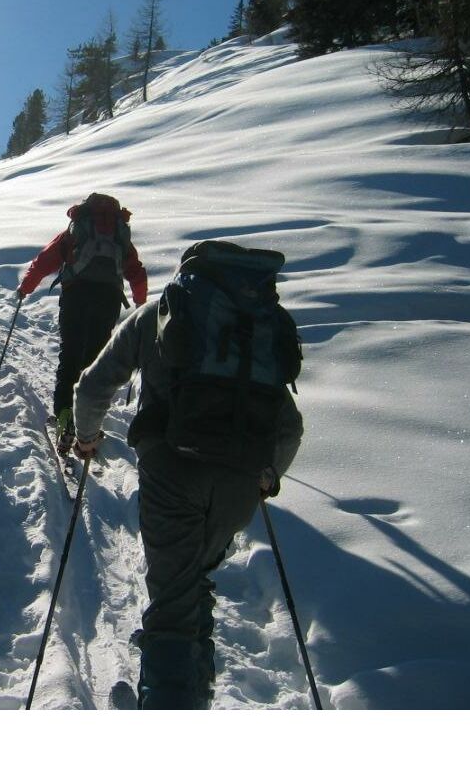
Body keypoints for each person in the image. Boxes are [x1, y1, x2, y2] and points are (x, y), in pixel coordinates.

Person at [71, 241, 304, 709]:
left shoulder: (160, 314)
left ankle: (170, 697)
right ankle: (192, 688)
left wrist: (87, 437)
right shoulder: (262, 323)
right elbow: (290, 424)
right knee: (192, 577)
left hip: (173, 470)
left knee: (172, 606)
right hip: (241, 477)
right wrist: (267, 475)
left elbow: (94, 384)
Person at [17, 192, 147, 454]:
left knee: (70, 356)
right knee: (93, 361)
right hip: (108, 300)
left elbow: (45, 260)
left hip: (76, 295)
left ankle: (65, 420)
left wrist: (25, 288)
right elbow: (135, 269)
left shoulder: (77, 228)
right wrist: (140, 303)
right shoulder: (119, 234)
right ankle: (86, 426)